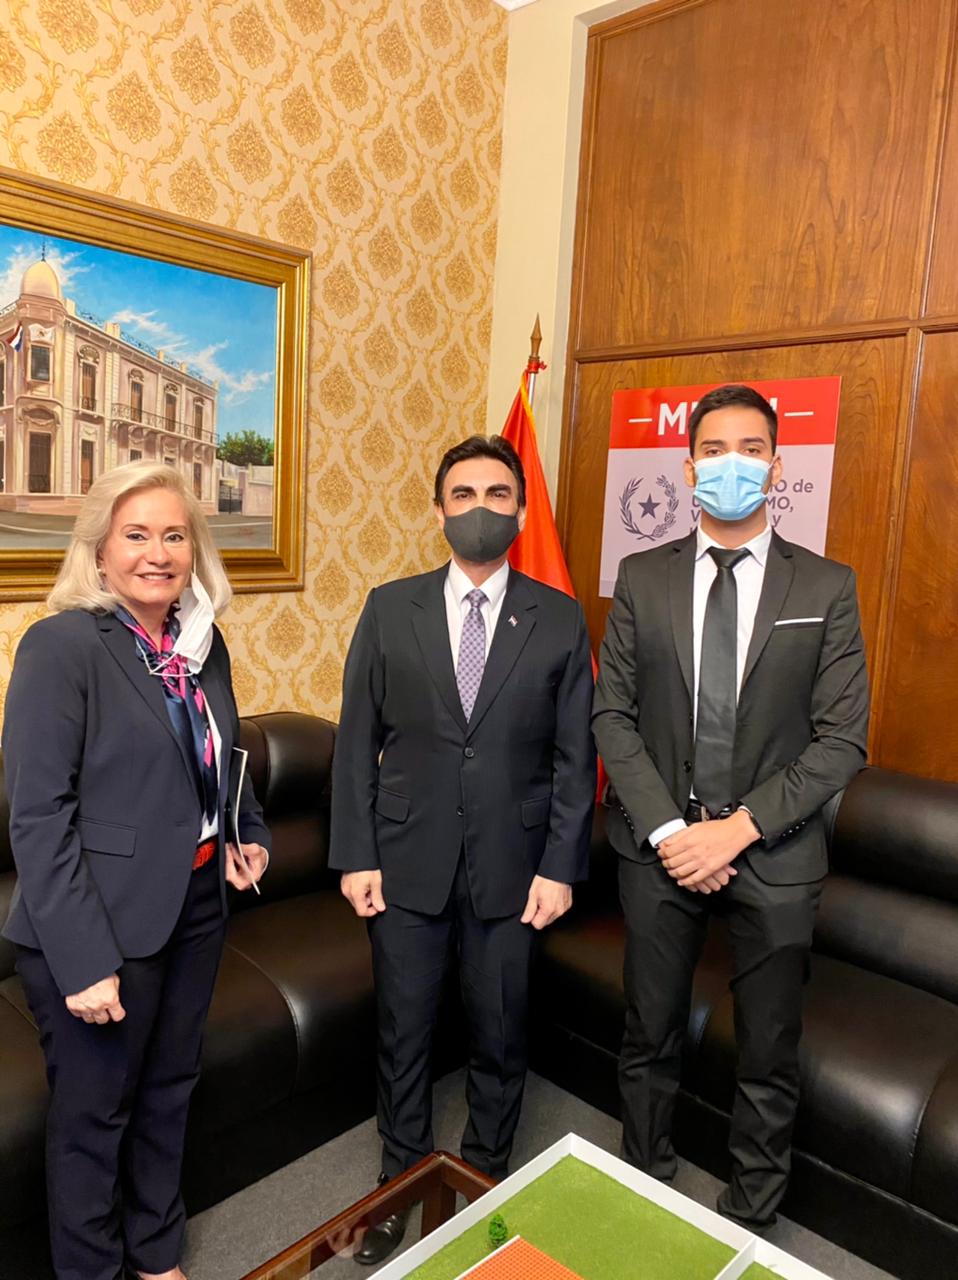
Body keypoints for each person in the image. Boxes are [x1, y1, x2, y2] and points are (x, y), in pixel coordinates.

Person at [593, 384, 869, 1231]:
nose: (732, 465)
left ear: (778, 467)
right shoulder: (642, 576)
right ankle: (643, 1186)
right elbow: (613, 716)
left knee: (768, 1050)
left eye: (751, 449)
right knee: (648, 1033)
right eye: (714, 450)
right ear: (687, 468)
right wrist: (674, 833)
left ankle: (751, 1214)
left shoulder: (826, 585)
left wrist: (736, 832)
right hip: (660, 847)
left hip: (773, 850)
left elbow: (842, 740)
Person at [330, 434, 595, 1265]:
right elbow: (356, 742)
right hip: (404, 860)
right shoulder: (389, 607)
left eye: (498, 494)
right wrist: (356, 855)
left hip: (515, 868)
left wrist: (560, 865)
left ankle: (486, 1178)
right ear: (439, 509)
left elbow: (574, 758)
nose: (481, 509)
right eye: (464, 495)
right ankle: (399, 1183)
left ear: (520, 509)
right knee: (403, 1034)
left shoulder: (558, 616)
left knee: (500, 1032)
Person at [3, 461, 270, 1280]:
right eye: (137, 535)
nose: (158, 553)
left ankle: (155, 1254)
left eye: (174, 535)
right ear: (100, 550)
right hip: (97, 922)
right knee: (96, 1117)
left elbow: (221, 758)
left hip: (196, 904)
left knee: (170, 1088)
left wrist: (246, 831)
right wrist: (84, 960)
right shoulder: (61, 646)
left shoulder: (202, 645)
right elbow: (38, 816)